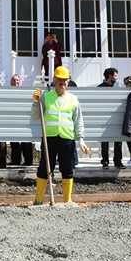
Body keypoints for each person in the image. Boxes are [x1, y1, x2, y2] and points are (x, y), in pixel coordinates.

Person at [31, 66, 90, 204]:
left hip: (67, 139)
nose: (62, 83)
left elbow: (78, 121)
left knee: (67, 169)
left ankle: (67, 200)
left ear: (68, 82)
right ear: (54, 80)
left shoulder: (73, 100)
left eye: (65, 80)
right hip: (49, 139)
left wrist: (81, 139)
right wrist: (35, 102)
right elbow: (35, 116)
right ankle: (38, 200)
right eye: (59, 80)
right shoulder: (46, 96)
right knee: (45, 168)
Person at [98, 68, 124, 169]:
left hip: (117, 117)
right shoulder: (100, 88)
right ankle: (105, 161)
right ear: (110, 76)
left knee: (118, 140)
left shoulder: (119, 87)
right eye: (115, 76)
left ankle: (118, 161)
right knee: (105, 141)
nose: (117, 78)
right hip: (105, 118)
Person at [8, 74, 34, 166]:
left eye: (17, 80)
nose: (16, 82)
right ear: (10, 82)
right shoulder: (8, 93)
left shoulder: (25, 92)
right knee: (14, 142)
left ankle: (28, 161)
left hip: (25, 120)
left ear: (21, 82)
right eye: (14, 80)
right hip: (13, 120)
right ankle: (15, 161)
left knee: (26, 141)